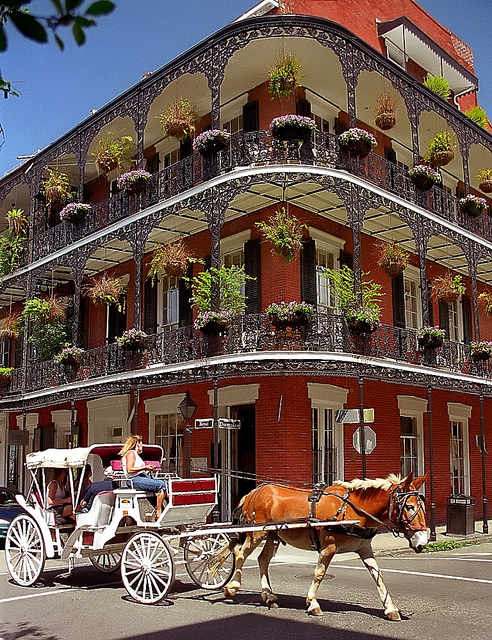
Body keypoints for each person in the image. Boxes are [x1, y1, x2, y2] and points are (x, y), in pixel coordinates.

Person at [119, 434, 167, 518]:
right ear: (137, 444)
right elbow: (129, 470)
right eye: (141, 444)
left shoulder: (135, 455)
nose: (142, 446)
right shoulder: (131, 453)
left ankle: (167, 510)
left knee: (167, 486)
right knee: (160, 485)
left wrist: (147, 470)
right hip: (134, 479)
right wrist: (145, 467)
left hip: (140, 477)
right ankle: (159, 513)